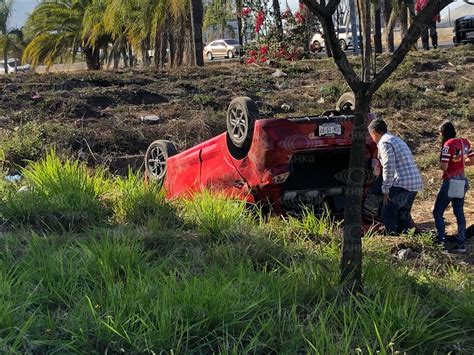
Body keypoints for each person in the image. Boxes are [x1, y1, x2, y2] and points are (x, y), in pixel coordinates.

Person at [368, 119, 423, 235]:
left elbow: (389, 165)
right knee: (403, 214)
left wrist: (386, 189)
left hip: (402, 184)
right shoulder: (396, 139)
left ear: (374, 133)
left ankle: (392, 238)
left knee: (387, 212)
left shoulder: (384, 142)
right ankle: (408, 239)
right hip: (414, 183)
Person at [433, 121, 473, 253]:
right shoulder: (465, 142)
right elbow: (472, 160)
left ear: (443, 133)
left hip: (450, 181)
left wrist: (442, 164)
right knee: (459, 212)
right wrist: (461, 163)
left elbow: (444, 166)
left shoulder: (447, 145)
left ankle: (441, 243)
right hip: (462, 180)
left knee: (437, 212)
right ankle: (461, 245)